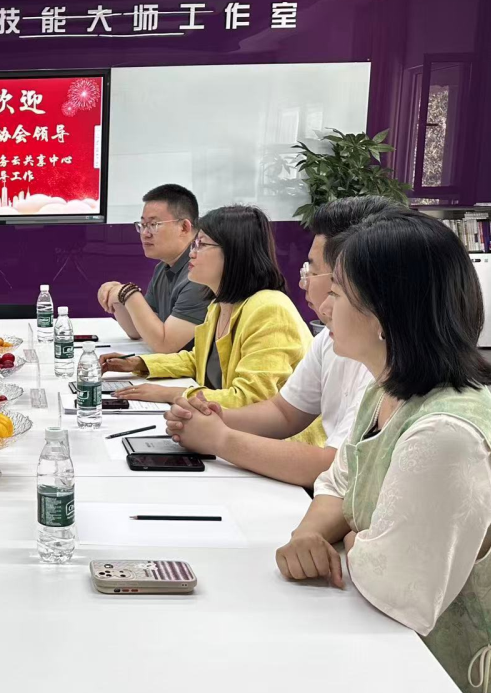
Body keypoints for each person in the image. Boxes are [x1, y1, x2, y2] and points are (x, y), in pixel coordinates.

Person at [274, 210, 491, 693]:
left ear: (384, 315)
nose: (325, 306)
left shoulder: (446, 432)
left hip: (439, 685)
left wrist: (355, 538)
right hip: (383, 654)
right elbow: (338, 480)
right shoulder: (386, 390)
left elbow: (401, 590)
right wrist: (311, 534)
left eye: (338, 292)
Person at [163, 197, 400, 485]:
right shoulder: (331, 338)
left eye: (315, 273)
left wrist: (219, 437)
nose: (304, 283)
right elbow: (284, 412)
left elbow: (336, 469)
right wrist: (210, 417)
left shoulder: (383, 360)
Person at [100, 206, 320, 446]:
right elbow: (199, 359)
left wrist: (169, 394)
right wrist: (138, 363)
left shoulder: (270, 309)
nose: (192, 253)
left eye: (201, 244)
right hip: (234, 435)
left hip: (281, 447)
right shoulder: (219, 305)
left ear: (234, 253)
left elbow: (251, 400)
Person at [97, 184, 212, 353]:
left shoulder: (200, 273)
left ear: (184, 227)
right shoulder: (163, 267)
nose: (145, 233)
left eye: (153, 224)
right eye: (143, 225)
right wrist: (116, 298)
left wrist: (128, 294)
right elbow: (138, 331)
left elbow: (165, 345)